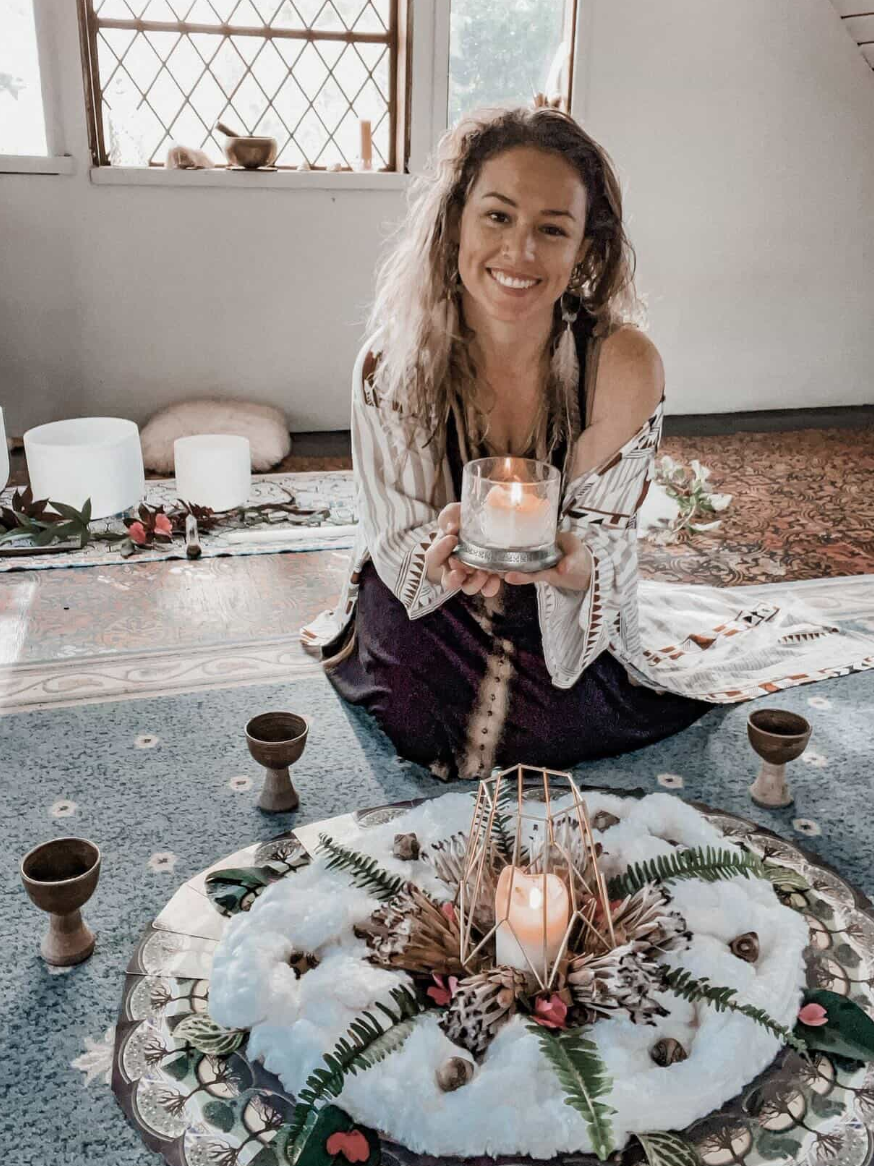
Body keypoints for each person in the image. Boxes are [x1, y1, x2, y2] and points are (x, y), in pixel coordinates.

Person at [301, 104, 712, 781]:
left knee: (566, 714)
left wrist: (573, 569)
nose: (519, 253)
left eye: (552, 229)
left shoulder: (620, 365)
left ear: (586, 246)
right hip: (435, 590)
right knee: (412, 709)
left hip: (558, 602)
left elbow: (602, 543)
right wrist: (443, 560)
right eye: (497, 216)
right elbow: (397, 532)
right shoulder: (393, 362)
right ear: (455, 218)